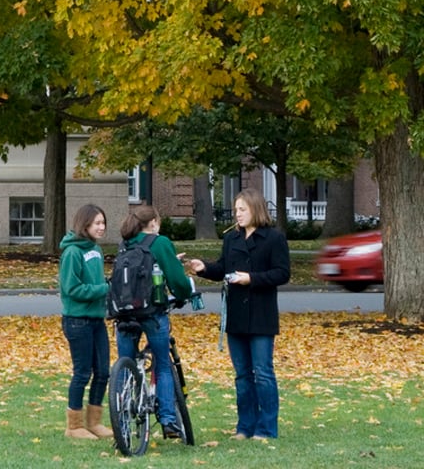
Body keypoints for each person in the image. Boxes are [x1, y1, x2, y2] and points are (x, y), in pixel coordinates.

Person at [187, 188, 290, 440]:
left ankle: (266, 428)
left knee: (263, 372)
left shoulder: (273, 238)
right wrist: (203, 269)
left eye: (242, 209)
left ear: (255, 209)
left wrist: (251, 279)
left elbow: (282, 273)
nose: (238, 214)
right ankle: (245, 426)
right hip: (235, 314)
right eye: (236, 210)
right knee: (242, 375)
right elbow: (223, 268)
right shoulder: (232, 238)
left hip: (261, 314)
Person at [114, 205, 194, 438]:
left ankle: (122, 416)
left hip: (124, 313)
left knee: (125, 363)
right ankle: (168, 419)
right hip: (152, 313)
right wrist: (183, 295)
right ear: (153, 223)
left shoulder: (125, 244)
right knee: (162, 362)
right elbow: (178, 282)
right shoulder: (159, 242)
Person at [58, 204, 114, 439]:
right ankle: (74, 426)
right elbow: (72, 288)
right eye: (97, 223)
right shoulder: (72, 252)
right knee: (82, 372)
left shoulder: (96, 250)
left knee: (103, 371)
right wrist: (104, 289)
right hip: (77, 321)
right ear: (85, 225)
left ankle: (94, 422)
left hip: (96, 320)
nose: (101, 227)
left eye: (103, 223)